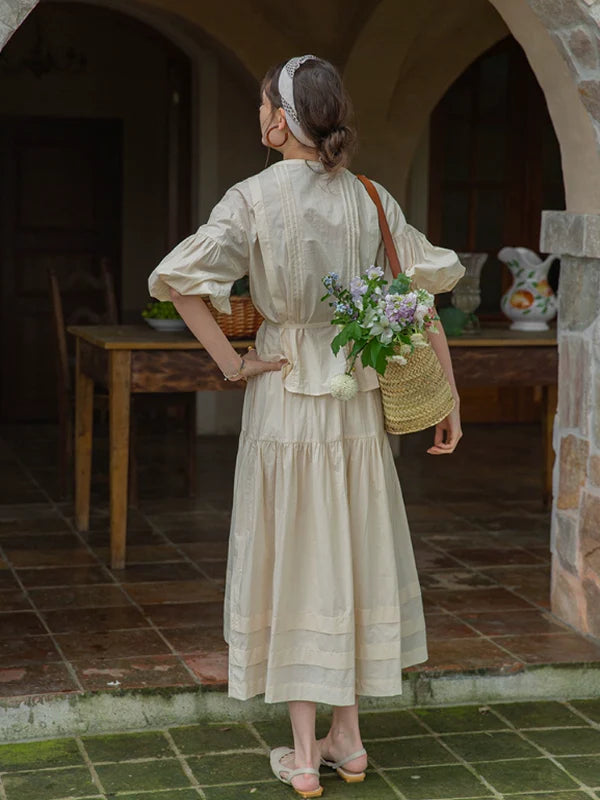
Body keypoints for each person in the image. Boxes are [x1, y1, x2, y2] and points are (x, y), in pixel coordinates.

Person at [148, 54, 465, 799]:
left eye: (265, 105)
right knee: (349, 551)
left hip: (286, 392)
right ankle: (348, 739)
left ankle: (302, 753)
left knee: (293, 554)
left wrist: (231, 364)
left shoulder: (252, 199)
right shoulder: (370, 196)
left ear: (280, 119)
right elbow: (420, 295)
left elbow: (177, 279)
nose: (260, 117)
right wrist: (448, 396)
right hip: (354, 392)